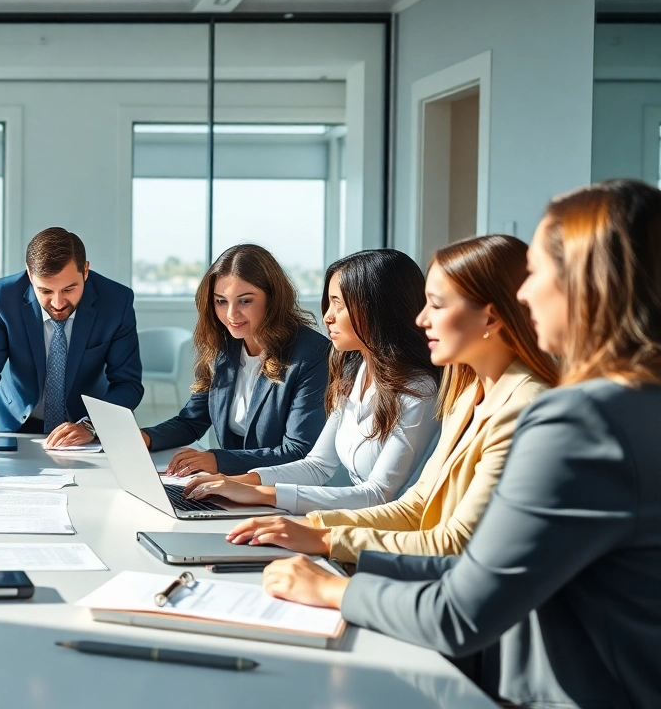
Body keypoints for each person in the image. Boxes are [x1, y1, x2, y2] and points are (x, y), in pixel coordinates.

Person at [260, 180, 661, 709]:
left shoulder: (581, 420)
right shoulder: (631, 405)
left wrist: (333, 586)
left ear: (586, 284)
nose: (523, 295)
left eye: (537, 273)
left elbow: (461, 610)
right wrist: (322, 539)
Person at [226, 236, 555, 562]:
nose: (422, 319)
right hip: (404, 556)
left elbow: (453, 542)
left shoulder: (519, 406)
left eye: (436, 305)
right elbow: (416, 507)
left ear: (491, 317)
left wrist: (321, 539)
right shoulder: (467, 393)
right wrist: (308, 526)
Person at [179, 249, 440, 513]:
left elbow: (377, 496)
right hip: (355, 521)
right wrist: (235, 483)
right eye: (329, 302)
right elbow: (316, 465)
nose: (328, 315)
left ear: (381, 308)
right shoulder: (354, 372)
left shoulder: (418, 390)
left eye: (340, 303)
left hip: (389, 534)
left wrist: (260, 494)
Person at [142, 244, 330, 476]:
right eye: (221, 301)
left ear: (272, 298)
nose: (231, 314)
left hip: (283, 491)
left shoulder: (311, 353)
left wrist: (218, 461)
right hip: (232, 485)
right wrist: (144, 438)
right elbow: (191, 421)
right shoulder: (224, 345)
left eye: (245, 301)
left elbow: (298, 451)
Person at [0, 227, 143, 451]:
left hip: (83, 431)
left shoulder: (116, 302)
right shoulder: (3, 298)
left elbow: (127, 383)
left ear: (85, 270)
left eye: (69, 289)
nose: (58, 303)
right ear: (30, 275)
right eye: (45, 291)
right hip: (10, 428)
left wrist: (91, 425)